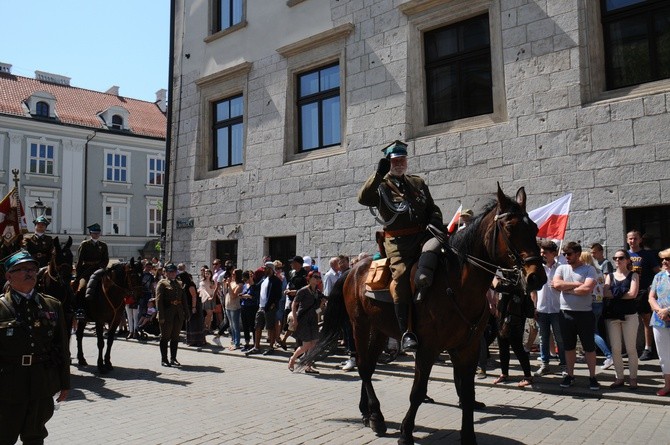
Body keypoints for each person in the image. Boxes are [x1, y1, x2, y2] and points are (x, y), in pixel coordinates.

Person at [357, 140, 443, 352]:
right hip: (398, 243)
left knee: (445, 263)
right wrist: (378, 175)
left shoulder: (417, 182)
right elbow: (363, 199)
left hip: (423, 237)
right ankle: (406, 332)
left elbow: (433, 208)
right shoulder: (381, 185)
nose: (400, 163)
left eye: (402, 159)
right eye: (395, 160)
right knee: (402, 277)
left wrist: (435, 221)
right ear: (388, 162)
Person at [0, 251, 70, 444]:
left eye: (32, 269)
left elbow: (62, 348)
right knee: (4, 436)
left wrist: (65, 382)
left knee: (35, 436)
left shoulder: (52, 305)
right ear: (9, 276)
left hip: (42, 382)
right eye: (22, 269)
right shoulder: (2, 307)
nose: (29, 273)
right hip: (8, 385)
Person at [553, 242, 600, 390]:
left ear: (578, 254)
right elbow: (557, 284)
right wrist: (576, 285)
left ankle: (592, 377)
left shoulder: (589, 269)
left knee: (589, 348)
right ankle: (570, 375)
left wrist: (567, 289)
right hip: (565, 313)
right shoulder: (561, 268)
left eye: (569, 254)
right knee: (568, 347)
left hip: (585, 314)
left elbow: (586, 289)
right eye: (565, 254)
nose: (566, 256)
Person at [603, 249, 639, 389]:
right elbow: (605, 292)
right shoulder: (610, 276)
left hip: (629, 315)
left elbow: (632, 294)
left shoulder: (633, 275)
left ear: (627, 260)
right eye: (615, 258)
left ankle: (633, 378)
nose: (617, 260)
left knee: (631, 348)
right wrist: (622, 292)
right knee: (616, 348)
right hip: (613, 315)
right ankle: (619, 377)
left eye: (621, 257)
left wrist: (615, 293)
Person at [492, 275, 534, 388]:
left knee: (518, 348)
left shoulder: (516, 280)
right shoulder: (506, 279)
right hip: (502, 317)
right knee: (503, 348)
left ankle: (528, 376)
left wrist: (493, 277)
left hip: (513, 320)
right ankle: (504, 373)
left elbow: (499, 287)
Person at [532, 241, 566, 377]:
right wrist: (534, 307)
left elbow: (568, 287)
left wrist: (560, 286)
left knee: (560, 339)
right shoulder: (538, 268)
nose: (542, 255)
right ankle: (545, 365)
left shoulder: (561, 268)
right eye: (541, 253)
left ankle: (564, 365)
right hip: (542, 308)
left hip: (557, 309)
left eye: (545, 253)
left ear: (553, 253)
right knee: (543, 338)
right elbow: (533, 290)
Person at [627, 230, 660, 361]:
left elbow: (657, 272)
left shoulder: (647, 255)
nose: (632, 241)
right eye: (630, 238)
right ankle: (631, 348)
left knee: (646, 320)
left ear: (640, 240)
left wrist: (654, 288)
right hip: (628, 293)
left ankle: (648, 348)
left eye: (635, 238)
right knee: (629, 321)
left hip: (643, 292)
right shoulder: (624, 255)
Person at [580, 251, 613, 371]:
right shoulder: (598, 271)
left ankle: (609, 356)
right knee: (593, 330)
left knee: (593, 332)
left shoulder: (587, 271)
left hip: (591, 303)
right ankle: (588, 354)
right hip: (599, 303)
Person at [288, 270, 325, 374]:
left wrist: (321, 306)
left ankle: (308, 366)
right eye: (315, 277)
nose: (317, 279)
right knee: (306, 345)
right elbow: (294, 305)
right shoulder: (303, 291)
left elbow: (317, 310)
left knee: (314, 344)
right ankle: (293, 359)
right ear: (309, 278)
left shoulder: (317, 293)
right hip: (303, 320)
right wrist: (295, 319)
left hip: (313, 320)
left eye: (319, 277)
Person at [245, 262, 282, 356]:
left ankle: (271, 347)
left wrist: (273, 305)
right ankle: (256, 347)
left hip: (269, 307)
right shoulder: (264, 279)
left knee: (270, 328)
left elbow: (278, 295)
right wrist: (251, 280)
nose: (263, 270)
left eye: (265, 268)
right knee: (257, 326)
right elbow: (256, 288)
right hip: (261, 306)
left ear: (270, 269)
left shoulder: (276, 280)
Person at [648, 248, 670, 396]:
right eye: (663, 259)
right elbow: (651, 297)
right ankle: (668, 385)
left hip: (665, 314)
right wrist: (659, 311)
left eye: (668, 259)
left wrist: (667, 310)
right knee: (664, 355)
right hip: (659, 320)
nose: (664, 262)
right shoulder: (659, 276)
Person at [155, 263, 187, 367]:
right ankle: (164, 359)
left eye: (174, 272)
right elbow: (159, 301)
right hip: (167, 314)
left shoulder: (179, 283)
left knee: (175, 337)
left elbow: (184, 299)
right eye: (170, 272)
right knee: (165, 337)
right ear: (166, 273)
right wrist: (161, 315)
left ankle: (173, 358)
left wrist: (187, 312)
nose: (172, 274)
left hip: (178, 314)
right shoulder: (162, 283)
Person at [180, 271, 205, 347]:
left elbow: (194, 296)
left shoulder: (190, 285)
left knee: (195, 324)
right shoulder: (185, 284)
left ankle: (198, 341)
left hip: (193, 306)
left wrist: (194, 307)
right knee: (190, 324)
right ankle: (192, 341)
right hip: (188, 306)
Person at [225, 269, 243, 350]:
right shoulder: (232, 282)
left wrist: (229, 284)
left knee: (235, 326)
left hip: (234, 307)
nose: (232, 276)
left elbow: (233, 295)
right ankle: (234, 340)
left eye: (234, 274)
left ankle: (237, 343)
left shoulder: (240, 285)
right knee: (231, 325)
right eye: (232, 274)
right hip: (228, 306)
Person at [199, 268, 217, 333]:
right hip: (206, 299)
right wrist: (208, 296)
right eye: (206, 273)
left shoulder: (212, 282)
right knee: (208, 313)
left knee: (210, 314)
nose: (207, 275)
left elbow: (216, 288)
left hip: (211, 298)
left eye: (208, 274)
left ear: (210, 275)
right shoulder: (202, 282)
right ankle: (205, 327)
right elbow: (203, 290)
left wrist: (214, 287)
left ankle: (208, 328)